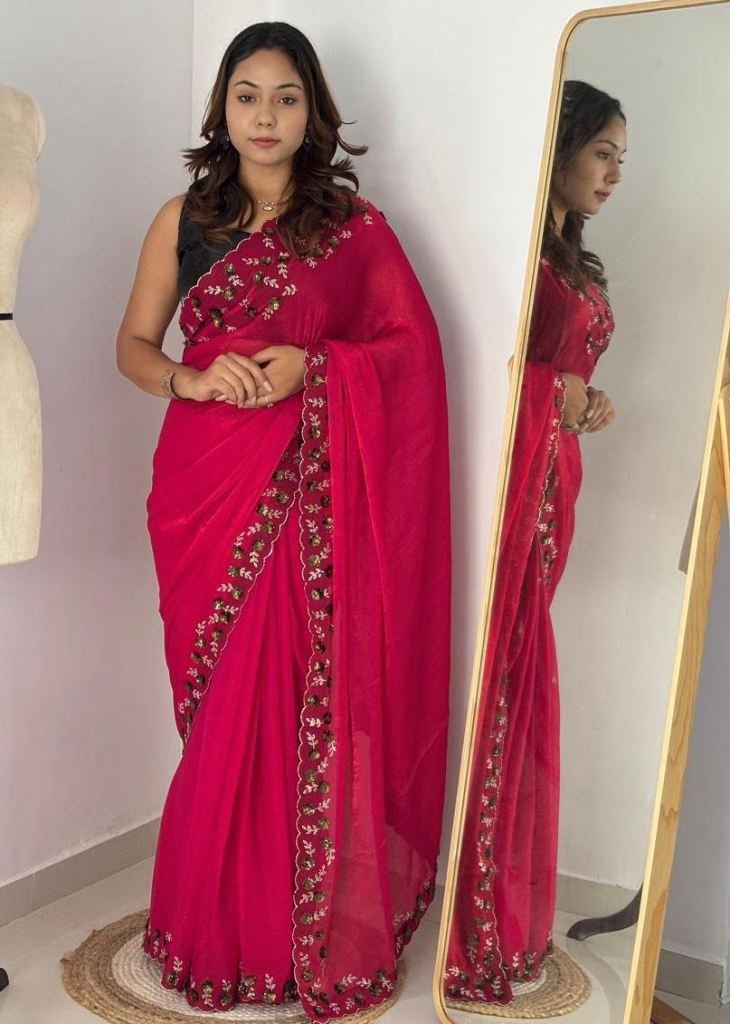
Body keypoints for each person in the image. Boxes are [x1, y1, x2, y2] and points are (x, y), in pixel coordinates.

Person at [116, 22, 451, 1020]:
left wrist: (319, 364)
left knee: (284, 698)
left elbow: (411, 351)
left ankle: (278, 931)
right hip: (201, 485)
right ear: (222, 107)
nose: (265, 116)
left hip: (303, 491)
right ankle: (214, 921)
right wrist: (187, 377)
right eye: (247, 95)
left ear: (315, 113)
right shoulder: (183, 218)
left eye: (287, 97)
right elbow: (134, 344)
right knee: (219, 703)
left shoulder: (354, 228)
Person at [445, 80, 625, 1006]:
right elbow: (494, 361)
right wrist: (555, 388)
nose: (615, 175)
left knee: (522, 666)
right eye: (603, 153)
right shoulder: (519, 247)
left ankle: (497, 898)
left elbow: (562, 369)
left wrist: (586, 399)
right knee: (504, 673)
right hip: (513, 483)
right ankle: (476, 908)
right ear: (561, 147)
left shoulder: (575, 260)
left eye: (622, 160)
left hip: (556, 482)